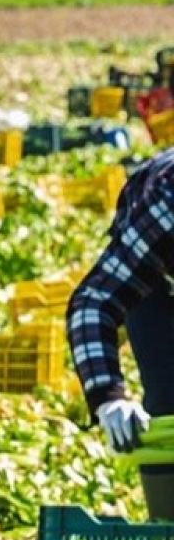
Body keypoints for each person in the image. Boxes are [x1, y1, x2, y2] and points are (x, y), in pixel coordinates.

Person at [67, 146, 174, 521]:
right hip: (161, 280)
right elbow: (95, 301)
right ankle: (169, 528)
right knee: (168, 395)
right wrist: (108, 397)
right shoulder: (165, 204)